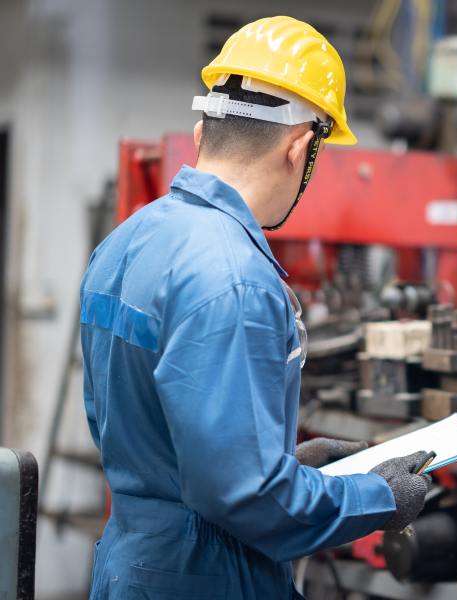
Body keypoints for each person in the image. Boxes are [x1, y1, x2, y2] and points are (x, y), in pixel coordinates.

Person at [81, 16, 430, 599]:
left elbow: (156, 437)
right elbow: (246, 498)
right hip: (209, 578)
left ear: (201, 134)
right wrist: (378, 498)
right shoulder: (237, 278)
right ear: (299, 148)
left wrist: (285, 462)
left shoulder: (125, 242)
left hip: (133, 567)